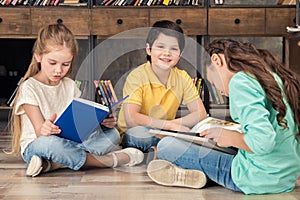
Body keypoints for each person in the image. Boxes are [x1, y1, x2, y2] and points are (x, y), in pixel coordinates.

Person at [147, 39, 300, 194]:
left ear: (216, 60)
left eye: (212, 82)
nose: (220, 91)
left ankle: (200, 175)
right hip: (285, 179)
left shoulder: (240, 81)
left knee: (167, 146)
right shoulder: (272, 77)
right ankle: (198, 174)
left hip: (255, 178)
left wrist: (227, 136)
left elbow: (263, 142)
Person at [9, 23, 144, 177]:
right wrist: (46, 129)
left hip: (71, 143)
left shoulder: (70, 85)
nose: (59, 70)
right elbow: (40, 133)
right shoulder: (29, 87)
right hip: (39, 146)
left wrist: (101, 122)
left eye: (65, 64)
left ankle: (53, 164)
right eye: (52, 63)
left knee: (111, 134)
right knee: (51, 143)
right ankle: (108, 161)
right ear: (38, 56)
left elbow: (80, 126)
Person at [117, 20, 207, 160]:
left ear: (180, 53)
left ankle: (161, 153)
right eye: (160, 46)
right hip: (135, 133)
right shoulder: (137, 76)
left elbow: (200, 114)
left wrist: (172, 126)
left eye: (173, 49)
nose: (167, 53)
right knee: (138, 135)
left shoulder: (182, 77)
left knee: (193, 134)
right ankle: (171, 152)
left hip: (166, 131)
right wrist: (169, 126)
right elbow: (132, 119)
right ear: (149, 49)